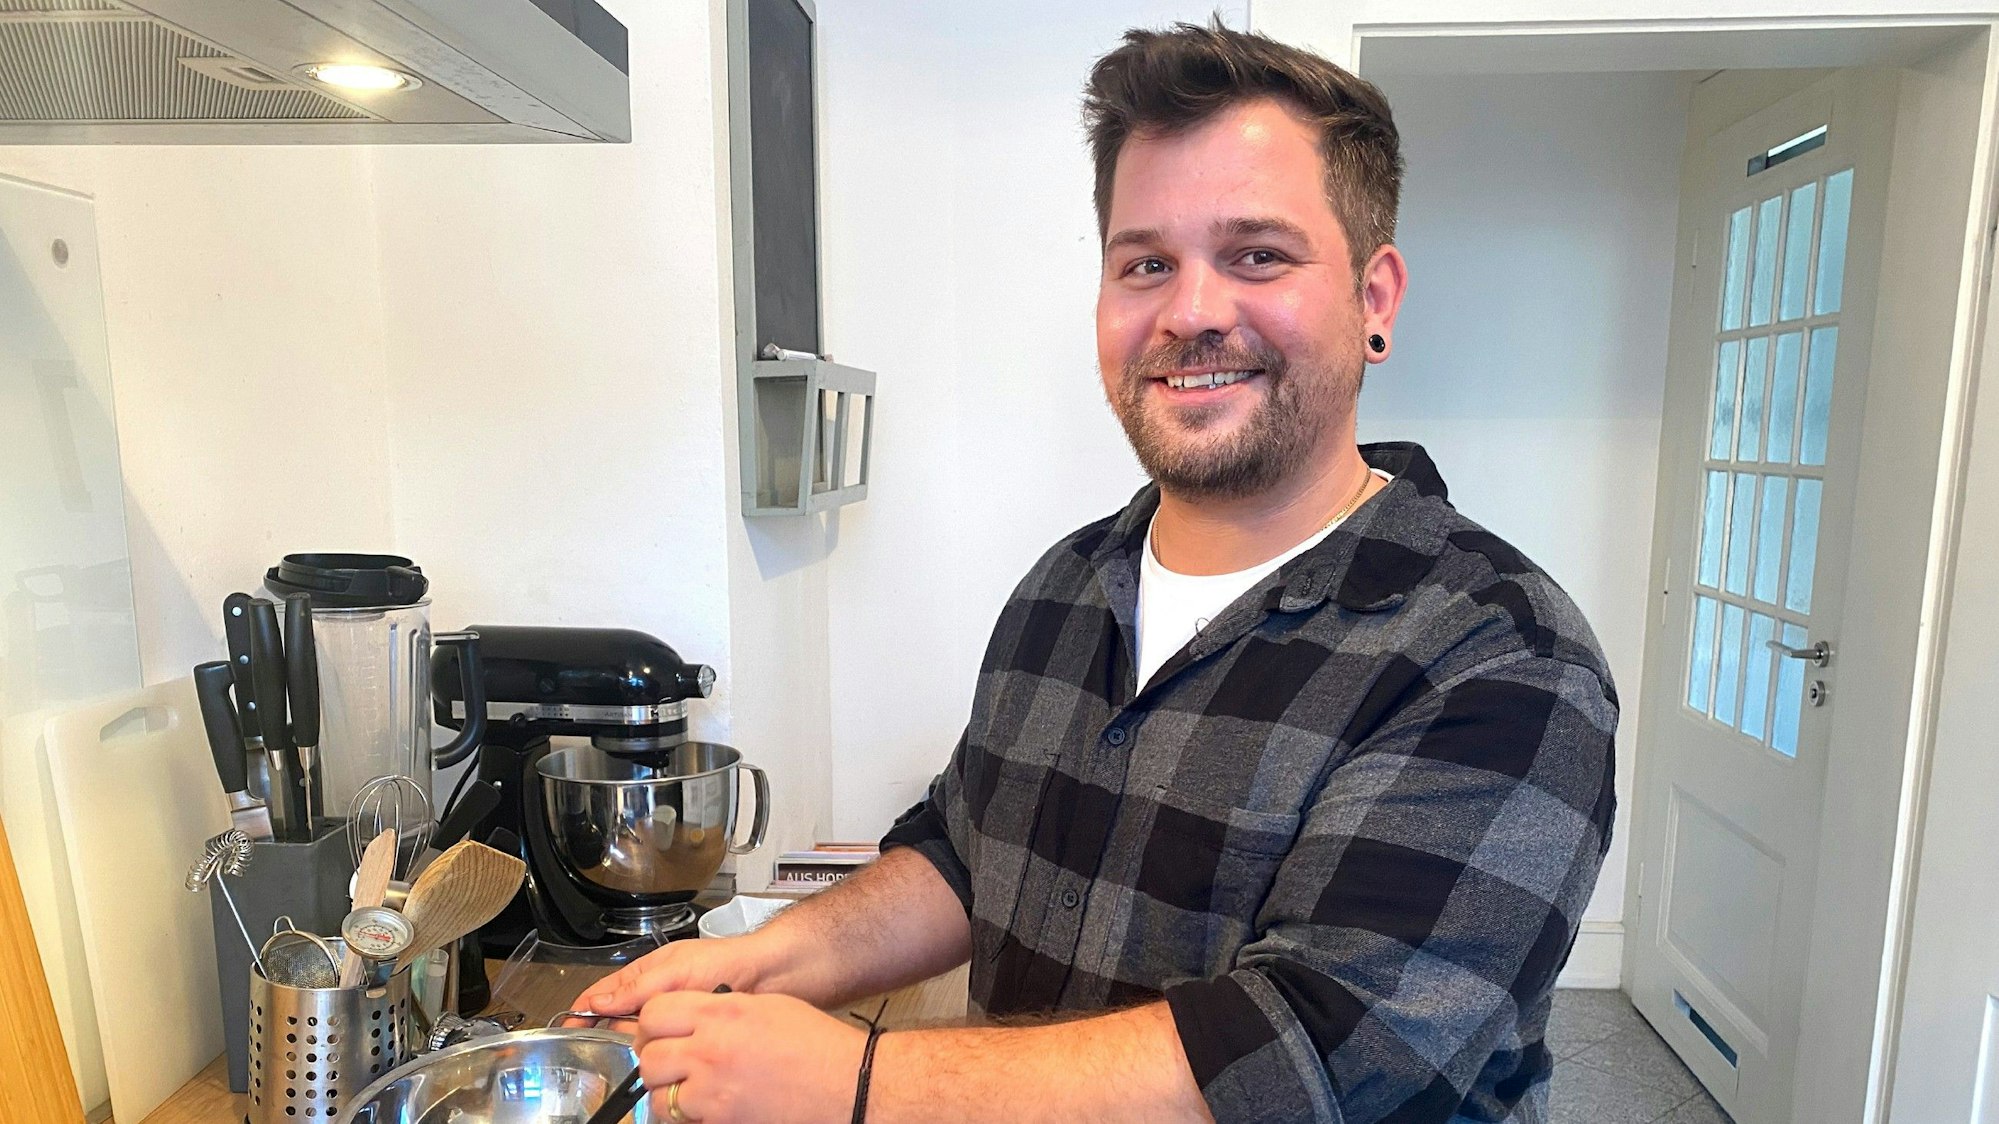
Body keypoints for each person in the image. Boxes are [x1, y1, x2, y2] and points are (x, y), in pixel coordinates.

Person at [578, 21, 1616, 1124]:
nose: (1190, 311)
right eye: (1145, 264)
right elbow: (965, 853)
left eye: (1257, 254)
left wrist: (857, 1080)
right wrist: (761, 963)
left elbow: (1311, 1059)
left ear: (1375, 297)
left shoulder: (1499, 658)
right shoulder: (1066, 587)